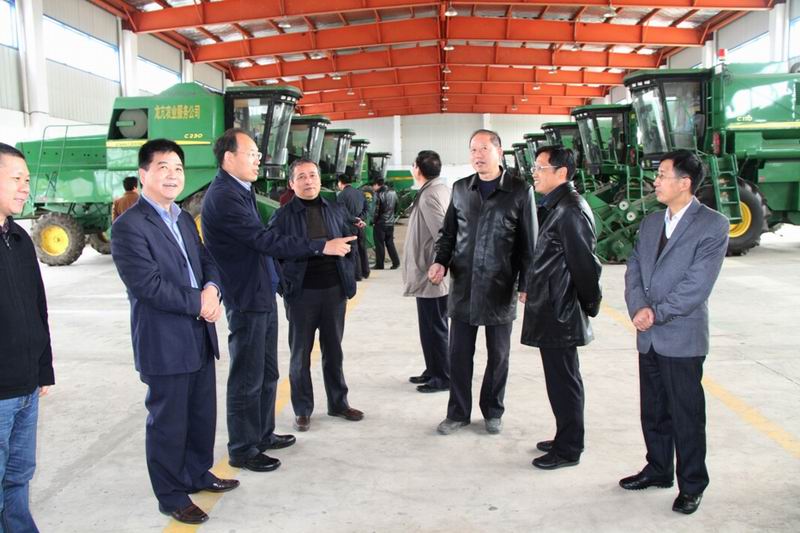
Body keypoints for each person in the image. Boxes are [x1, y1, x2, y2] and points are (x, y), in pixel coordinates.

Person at [202, 129, 354, 471]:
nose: (258, 160)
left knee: (267, 371)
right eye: (251, 154)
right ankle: (243, 448)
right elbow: (264, 240)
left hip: (261, 292)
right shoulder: (224, 196)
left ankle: (262, 433)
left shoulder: (241, 189)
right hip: (246, 296)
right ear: (229, 158)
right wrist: (321, 246)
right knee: (247, 376)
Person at [111, 139, 237, 525]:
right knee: (168, 423)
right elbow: (148, 286)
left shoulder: (182, 218)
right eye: (163, 167)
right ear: (143, 174)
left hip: (199, 334)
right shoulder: (129, 226)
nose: (172, 175)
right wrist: (199, 302)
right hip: (164, 341)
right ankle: (170, 495)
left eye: (178, 168)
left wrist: (212, 288)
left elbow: (205, 259)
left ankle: (197, 473)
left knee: (201, 414)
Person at [621, 149, 728, 515]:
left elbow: (698, 285)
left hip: (682, 337)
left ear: (685, 183)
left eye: (663, 175)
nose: (656, 181)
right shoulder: (652, 222)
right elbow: (634, 267)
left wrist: (657, 313)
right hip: (649, 334)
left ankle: (692, 485)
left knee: (686, 415)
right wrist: (638, 307)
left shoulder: (712, 225)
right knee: (653, 411)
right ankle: (658, 469)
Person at [429, 129, 537, 435]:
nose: (477, 155)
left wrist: (527, 283)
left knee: (498, 356)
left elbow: (529, 243)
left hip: (500, 287)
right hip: (464, 286)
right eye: (473, 150)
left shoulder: (519, 190)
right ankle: (458, 413)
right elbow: (449, 234)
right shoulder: (461, 189)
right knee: (459, 355)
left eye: (484, 149)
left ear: (499, 152)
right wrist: (440, 261)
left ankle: (493, 410)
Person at [520, 145, 602, 470]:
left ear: (562, 173)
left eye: (540, 168)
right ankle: (564, 436)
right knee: (558, 380)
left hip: (561, 311)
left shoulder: (570, 210)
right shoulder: (556, 206)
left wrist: (590, 305)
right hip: (551, 307)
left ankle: (569, 448)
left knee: (565, 381)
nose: (534, 173)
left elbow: (585, 265)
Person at [269, 158, 364, 432]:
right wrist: (284, 287)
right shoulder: (282, 217)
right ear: (291, 183)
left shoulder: (335, 209)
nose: (308, 181)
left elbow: (350, 243)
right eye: (301, 176)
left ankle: (338, 403)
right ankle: (302, 410)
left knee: (334, 350)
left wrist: (348, 275)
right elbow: (272, 251)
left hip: (334, 292)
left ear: (320, 180)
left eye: (312, 175)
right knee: (300, 354)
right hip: (302, 295)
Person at [0, 143, 55, 533]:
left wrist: (43, 370)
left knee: (19, 475)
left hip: (26, 386)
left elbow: (38, 307)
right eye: (16, 179)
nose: (25, 188)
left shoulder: (18, 238)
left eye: (27, 179)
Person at [402, 150, 451, 393]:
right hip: (429, 273)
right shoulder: (437, 189)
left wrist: (438, 264)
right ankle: (433, 369)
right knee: (430, 326)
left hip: (431, 275)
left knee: (435, 327)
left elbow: (443, 233)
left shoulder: (430, 195)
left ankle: (443, 376)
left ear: (417, 169)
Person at [336, 173, 369, 281]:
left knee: (354, 250)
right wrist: (360, 219)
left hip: (349, 227)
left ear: (340, 183)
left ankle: (357, 275)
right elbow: (367, 209)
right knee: (362, 248)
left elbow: (343, 213)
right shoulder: (360, 193)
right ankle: (365, 272)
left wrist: (355, 220)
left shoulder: (341, 195)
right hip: (360, 226)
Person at [371, 178, 400, 269]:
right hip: (390, 223)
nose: (373, 188)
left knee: (379, 244)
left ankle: (380, 265)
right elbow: (397, 206)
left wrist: (373, 221)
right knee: (390, 243)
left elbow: (376, 211)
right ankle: (396, 262)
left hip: (380, 223)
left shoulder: (378, 194)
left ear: (377, 184)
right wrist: (392, 217)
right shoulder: (393, 193)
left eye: (373, 186)